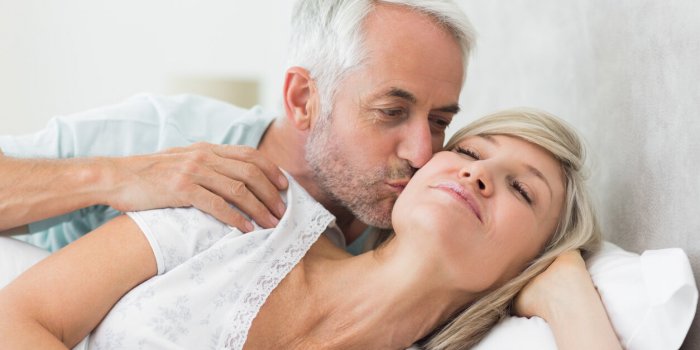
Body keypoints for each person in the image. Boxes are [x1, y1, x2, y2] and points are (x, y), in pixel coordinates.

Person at [0, 109, 622, 349]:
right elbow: (20, 318)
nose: (480, 175)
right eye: (471, 151)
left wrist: (567, 291)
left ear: (528, 263)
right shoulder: (246, 209)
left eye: (522, 190)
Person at [0, 0, 474, 254]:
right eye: (391, 111)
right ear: (303, 100)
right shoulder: (163, 133)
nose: (422, 154)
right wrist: (116, 178)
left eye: (439, 121)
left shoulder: (421, 220)